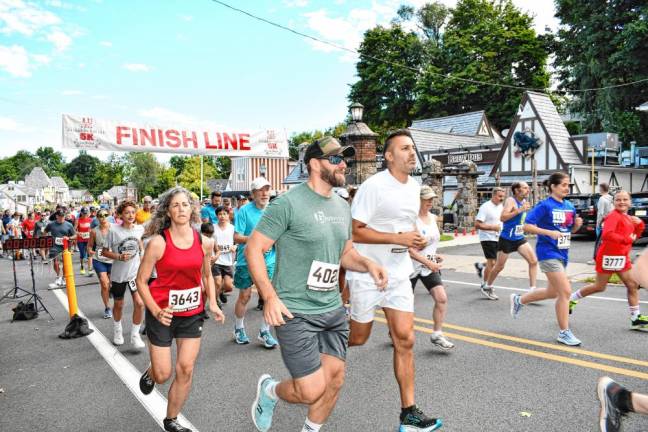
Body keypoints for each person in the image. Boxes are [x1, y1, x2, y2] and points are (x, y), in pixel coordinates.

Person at [247, 136, 387, 432]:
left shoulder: (341, 204)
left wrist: (368, 264)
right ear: (313, 164)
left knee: (334, 381)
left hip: (333, 309)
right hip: (295, 310)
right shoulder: (287, 203)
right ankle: (270, 390)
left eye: (344, 159)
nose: (343, 164)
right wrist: (269, 297)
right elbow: (254, 248)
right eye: (335, 159)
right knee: (310, 389)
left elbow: (346, 253)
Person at [347, 129, 443, 431]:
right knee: (358, 338)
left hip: (399, 274)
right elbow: (356, 231)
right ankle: (319, 339)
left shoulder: (414, 186)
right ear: (389, 156)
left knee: (406, 339)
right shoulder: (374, 186)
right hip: (367, 272)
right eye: (404, 148)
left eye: (413, 148)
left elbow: (403, 224)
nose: (412, 153)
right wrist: (396, 237)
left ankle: (409, 413)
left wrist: (416, 242)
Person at [136, 187, 225, 432]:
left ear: (192, 209)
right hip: (162, 313)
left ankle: (171, 420)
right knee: (163, 374)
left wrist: (214, 303)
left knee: (185, 367)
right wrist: (155, 310)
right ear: (167, 210)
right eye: (175, 205)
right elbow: (141, 281)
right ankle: (151, 373)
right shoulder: (158, 242)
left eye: (185, 204)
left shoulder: (205, 242)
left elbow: (207, 275)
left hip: (192, 313)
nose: (181, 209)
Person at [510, 172, 584, 346]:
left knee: (552, 292)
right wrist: (548, 233)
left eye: (568, 185)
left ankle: (518, 300)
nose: (567, 188)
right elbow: (526, 225)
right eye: (564, 185)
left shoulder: (570, 207)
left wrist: (576, 227)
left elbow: (568, 231)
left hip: (563, 254)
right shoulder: (545, 205)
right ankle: (564, 332)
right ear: (553, 186)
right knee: (565, 292)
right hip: (547, 253)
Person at [568, 191, 647, 328]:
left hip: (622, 258)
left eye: (625, 199)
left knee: (632, 285)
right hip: (608, 257)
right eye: (618, 200)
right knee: (599, 287)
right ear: (613, 202)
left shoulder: (629, 218)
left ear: (630, 202)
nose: (622, 202)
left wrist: (639, 224)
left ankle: (636, 318)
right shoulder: (613, 216)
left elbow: (635, 235)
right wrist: (626, 239)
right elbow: (607, 234)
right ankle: (571, 299)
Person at [232, 177, 278, 348]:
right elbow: (236, 237)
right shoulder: (244, 211)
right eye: (261, 190)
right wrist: (256, 240)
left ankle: (264, 331)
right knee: (245, 296)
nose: (265, 193)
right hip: (246, 260)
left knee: (268, 296)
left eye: (267, 189)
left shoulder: (274, 210)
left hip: (268, 260)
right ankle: (238, 328)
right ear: (253, 193)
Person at [409, 186, 454, 350]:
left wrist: (435, 256)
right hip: (410, 267)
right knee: (406, 305)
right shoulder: (411, 220)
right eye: (427, 198)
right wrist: (429, 262)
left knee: (441, 298)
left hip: (428, 266)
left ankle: (437, 334)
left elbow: (430, 244)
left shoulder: (433, 218)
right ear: (418, 200)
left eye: (432, 198)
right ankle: (397, 332)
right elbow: (409, 249)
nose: (430, 201)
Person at [101, 200, 146, 348]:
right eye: (127, 212)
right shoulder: (113, 230)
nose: (131, 215)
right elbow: (104, 252)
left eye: (133, 212)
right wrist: (119, 257)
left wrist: (143, 255)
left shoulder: (139, 229)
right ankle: (117, 330)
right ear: (120, 215)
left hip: (134, 274)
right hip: (119, 274)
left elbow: (140, 245)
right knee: (119, 304)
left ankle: (135, 335)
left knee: (139, 303)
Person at [483, 182, 538, 293]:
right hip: (507, 239)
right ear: (517, 190)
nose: (528, 190)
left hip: (519, 238)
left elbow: (520, 220)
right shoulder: (511, 201)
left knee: (533, 262)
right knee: (499, 266)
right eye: (525, 188)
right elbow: (503, 217)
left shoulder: (523, 201)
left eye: (528, 188)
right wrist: (519, 210)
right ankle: (487, 286)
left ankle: (532, 290)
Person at [474, 187, 505, 300]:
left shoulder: (501, 206)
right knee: (492, 261)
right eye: (499, 196)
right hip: (487, 237)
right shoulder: (485, 207)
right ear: (493, 195)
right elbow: (477, 225)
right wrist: (492, 227)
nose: (502, 199)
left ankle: (481, 266)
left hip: (498, 237)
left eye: (503, 196)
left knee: (495, 261)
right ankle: (485, 285)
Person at [88, 209, 114, 319]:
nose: (103, 217)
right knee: (104, 283)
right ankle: (108, 308)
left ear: (108, 216)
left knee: (111, 284)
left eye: (105, 215)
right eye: (100, 215)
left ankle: (111, 289)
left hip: (113, 260)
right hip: (99, 259)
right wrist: (90, 251)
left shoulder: (115, 228)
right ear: (97, 218)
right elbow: (89, 246)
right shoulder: (94, 231)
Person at [45, 210, 76, 289]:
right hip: (54, 247)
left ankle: (64, 278)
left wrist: (68, 238)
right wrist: (47, 239)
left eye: (63, 216)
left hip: (65, 247)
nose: (62, 218)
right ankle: (58, 276)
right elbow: (45, 231)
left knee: (66, 263)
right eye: (61, 216)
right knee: (56, 262)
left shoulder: (69, 225)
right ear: (57, 216)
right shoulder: (51, 224)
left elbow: (75, 236)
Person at [211, 206, 236, 305]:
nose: (222, 216)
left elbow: (237, 241)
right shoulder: (213, 227)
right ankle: (215, 301)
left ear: (228, 215)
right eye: (220, 214)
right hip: (216, 259)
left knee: (229, 286)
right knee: (217, 282)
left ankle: (220, 292)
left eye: (224, 214)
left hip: (228, 260)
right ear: (217, 216)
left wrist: (235, 246)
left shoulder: (233, 228)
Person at [589, 183, 614, 265]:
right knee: (606, 242)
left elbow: (600, 213)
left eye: (599, 188)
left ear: (601, 189)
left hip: (603, 223)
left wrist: (598, 224)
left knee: (598, 242)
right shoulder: (611, 199)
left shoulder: (602, 199)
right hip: (610, 223)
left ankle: (596, 259)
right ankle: (605, 257)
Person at [75, 207, 94, 276]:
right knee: (82, 255)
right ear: (81, 213)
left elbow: (93, 229)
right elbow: (74, 230)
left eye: (86, 213)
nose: (85, 215)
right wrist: (78, 233)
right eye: (84, 213)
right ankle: (82, 267)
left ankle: (90, 269)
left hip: (88, 239)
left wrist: (91, 231)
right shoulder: (78, 220)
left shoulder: (90, 220)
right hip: (81, 239)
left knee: (89, 254)